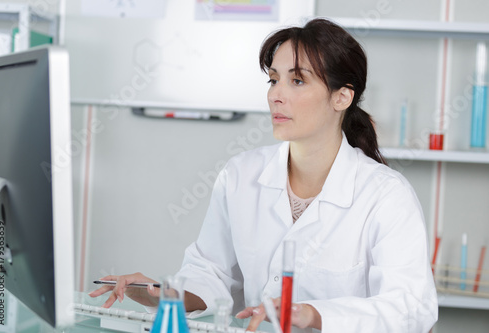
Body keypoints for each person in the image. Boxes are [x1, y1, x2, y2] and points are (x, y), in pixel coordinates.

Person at [89, 18, 438, 332]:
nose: (275, 95)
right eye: (273, 80)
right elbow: (211, 273)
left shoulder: (386, 196)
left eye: (297, 80)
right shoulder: (241, 175)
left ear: (342, 97)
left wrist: (313, 315)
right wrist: (163, 293)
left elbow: (411, 309)